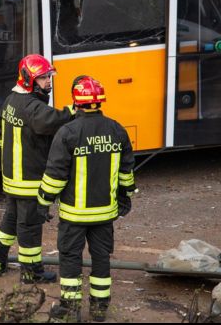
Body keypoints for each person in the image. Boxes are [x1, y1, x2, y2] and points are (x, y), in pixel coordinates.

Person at [38, 76, 136, 322]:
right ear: (99, 101)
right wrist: (125, 198)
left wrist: (43, 201)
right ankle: (100, 308)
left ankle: (70, 309)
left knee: (70, 259)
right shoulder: (117, 129)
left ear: (76, 101)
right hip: (105, 213)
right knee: (101, 258)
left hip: (74, 215)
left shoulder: (68, 132)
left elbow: (55, 175)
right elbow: (126, 171)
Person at [0, 54, 74, 283]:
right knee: (29, 228)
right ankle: (31, 273)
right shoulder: (32, 107)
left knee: (9, 223)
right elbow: (52, 119)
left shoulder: (10, 101)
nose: (48, 81)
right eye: (43, 78)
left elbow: (0, 135)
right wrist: (74, 111)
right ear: (29, 79)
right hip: (28, 182)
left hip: (12, 180)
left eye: (48, 76)